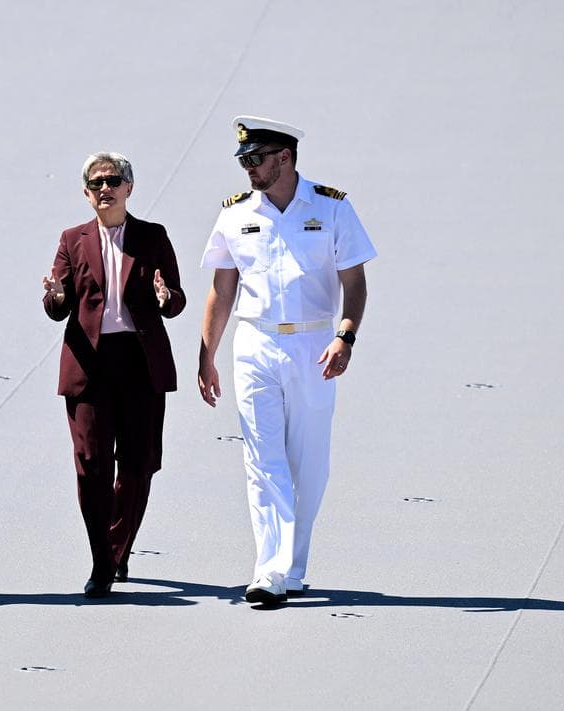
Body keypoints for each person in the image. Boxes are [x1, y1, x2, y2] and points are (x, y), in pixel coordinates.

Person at [197, 116, 375, 605]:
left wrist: (345, 336)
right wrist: (206, 354)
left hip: (314, 343)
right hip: (254, 342)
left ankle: (292, 566)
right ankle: (270, 570)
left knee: (309, 461)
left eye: (256, 159)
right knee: (262, 458)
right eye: (244, 161)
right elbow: (222, 290)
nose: (249, 169)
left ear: (285, 157)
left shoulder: (332, 207)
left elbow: (354, 281)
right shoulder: (234, 214)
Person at [42, 152, 185, 598]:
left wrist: (165, 298)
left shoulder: (152, 236)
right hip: (90, 364)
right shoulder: (73, 239)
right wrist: (57, 296)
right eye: (96, 183)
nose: (105, 188)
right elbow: (57, 305)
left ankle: (118, 547)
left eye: (113, 180)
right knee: (91, 465)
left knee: (139, 465)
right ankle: (102, 561)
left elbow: (176, 299)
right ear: (86, 193)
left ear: (129, 187)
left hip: (140, 363)